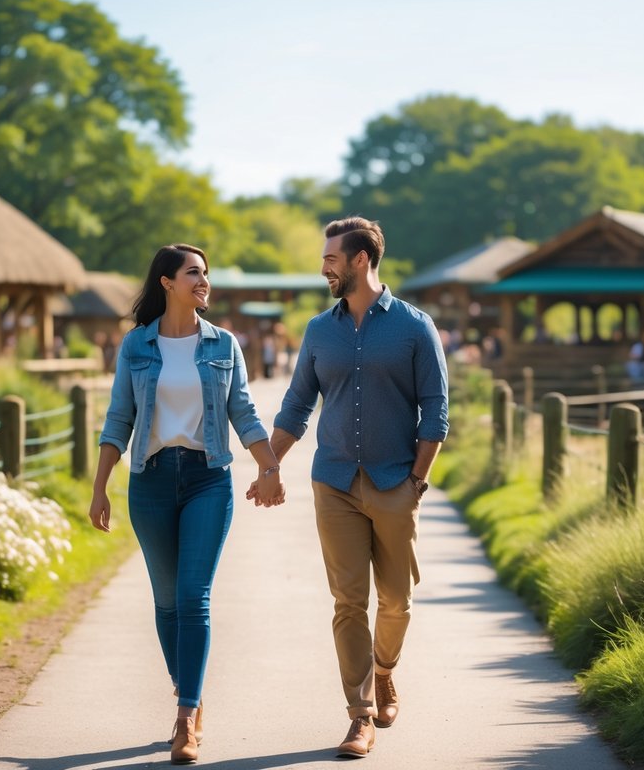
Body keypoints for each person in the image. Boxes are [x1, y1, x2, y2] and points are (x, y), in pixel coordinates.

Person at [252, 216, 449, 758]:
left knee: (396, 602)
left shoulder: (414, 326)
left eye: (332, 259)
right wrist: (270, 465)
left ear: (361, 259)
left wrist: (417, 481)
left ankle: (385, 670)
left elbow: (435, 410)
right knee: (347, 601)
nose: (324, 268)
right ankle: (359, 715)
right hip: (334, 480)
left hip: (394, 480)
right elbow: (296, 404)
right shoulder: (320, 330)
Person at [89, 243, 285, 765]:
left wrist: (270, 467)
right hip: (150, 481)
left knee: (194, 596)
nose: (204, 281)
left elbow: (242, 410)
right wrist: (100, 485)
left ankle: (184, 717)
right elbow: (118, 420)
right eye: (193, 273)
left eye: (206, 273)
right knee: (167, 601)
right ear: (167, 283)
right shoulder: (137, 345)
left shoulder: (224, 344)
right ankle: (189, 694)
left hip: (207, 480)